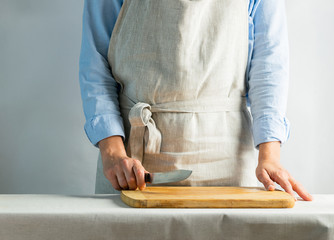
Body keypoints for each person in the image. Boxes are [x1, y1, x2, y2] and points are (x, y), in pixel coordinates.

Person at [79, 0, 313, 201]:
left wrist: (269, 156)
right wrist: (113, 154)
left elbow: (268, 63)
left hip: (228, 159)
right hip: (131, 163)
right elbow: (96, 62)